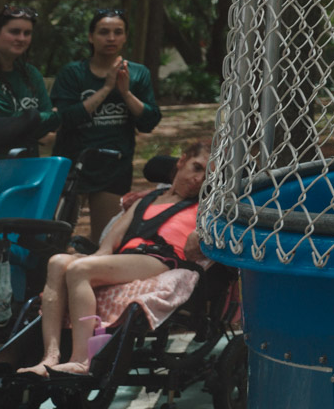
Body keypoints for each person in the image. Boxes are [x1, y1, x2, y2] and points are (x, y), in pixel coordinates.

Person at [20, 139, 209, 376]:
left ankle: (81, 360)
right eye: (197, 167)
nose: (198, 179)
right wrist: (93, 257)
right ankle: (49, 357)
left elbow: (209, 234)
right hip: (127, 258)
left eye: (207, 176)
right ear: (182, 162)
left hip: (160, 259)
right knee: (58, 262)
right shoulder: (144, 200)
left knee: (80, 270)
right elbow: (110, 242)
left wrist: (199, 233)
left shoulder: (205, 207)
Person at [53, 9, 161, 243]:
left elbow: (149, 122)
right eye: (103, 32)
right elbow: (65, 120)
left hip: (113, 166)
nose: (111, 38)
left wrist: (125, 93)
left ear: (125, 37)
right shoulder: (73, 73)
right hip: (74, 164)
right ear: (91, 37)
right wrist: (106, 88)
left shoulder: (138, 73)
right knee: (56, 237)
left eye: (117, 32)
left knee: (104, 240)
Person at [0, 6, 60, 156]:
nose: (21, 38)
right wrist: (43, 118)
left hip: (28, 165)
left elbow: (52, 121)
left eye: (27, 33)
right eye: (14, 32)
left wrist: (45, 118)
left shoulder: (31, 73)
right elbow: (5, 126)